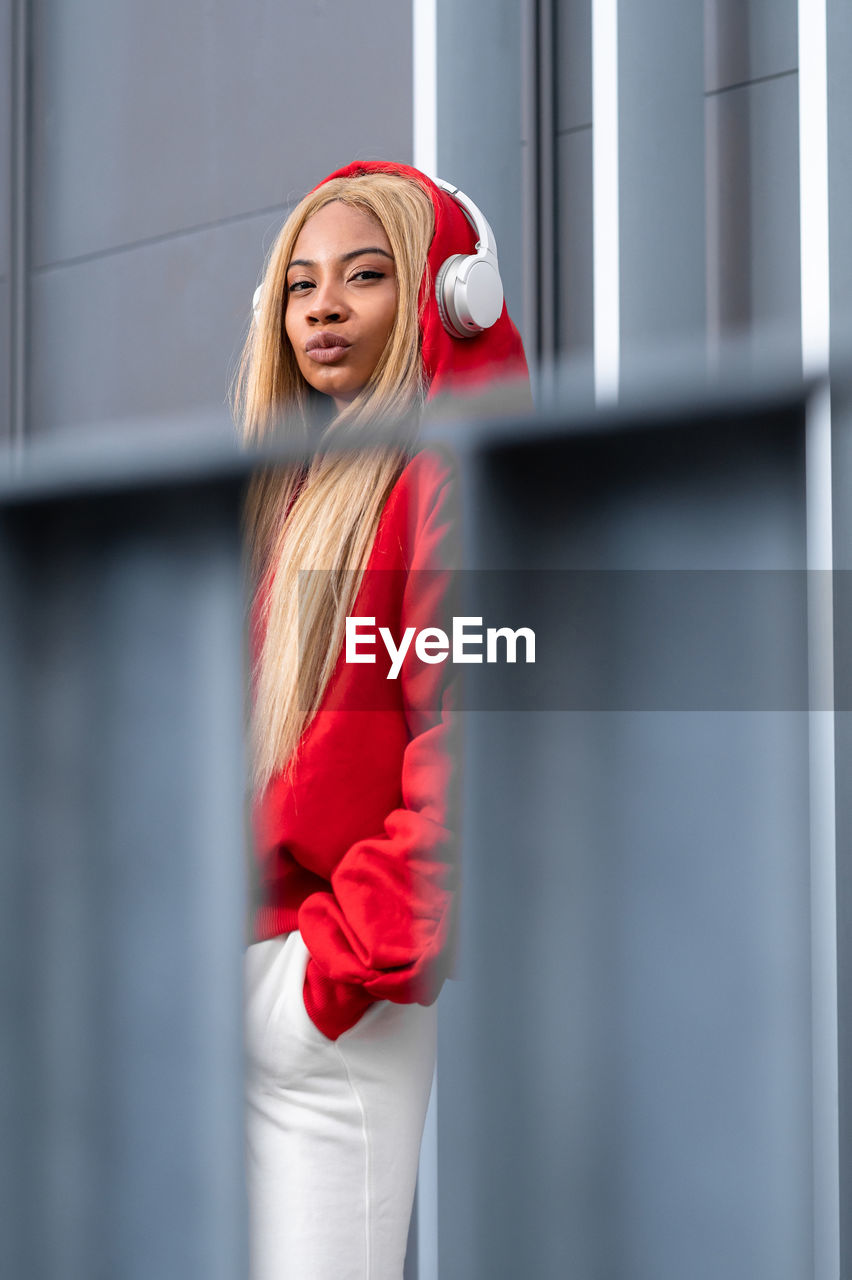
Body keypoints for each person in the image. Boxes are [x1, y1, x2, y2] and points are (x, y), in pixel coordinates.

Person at [233, 159, 528, 1280]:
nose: (322, 305)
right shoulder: (295, 499)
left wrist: (326, 979)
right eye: (300, 283)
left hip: (326, 1001)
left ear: (449, 297)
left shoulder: (450, 481)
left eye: (364, 275)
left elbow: (478, 754)